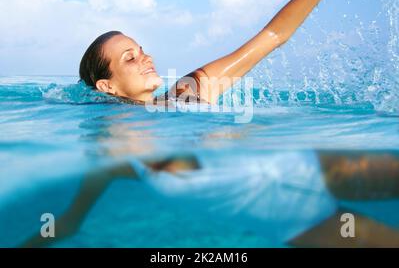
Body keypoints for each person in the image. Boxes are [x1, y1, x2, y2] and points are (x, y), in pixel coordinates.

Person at [79, 0, 399, 105]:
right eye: (129, 58)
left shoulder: (186, 92)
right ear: (107, 86)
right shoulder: (110, 138)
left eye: (142, 50)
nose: (146, 58)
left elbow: (273, 36)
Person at [21, 150, 399, 248]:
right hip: (293, 223)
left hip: (312, 166)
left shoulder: (187, 98)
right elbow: (69, 224)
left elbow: (272, 36)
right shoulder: (109, 165)